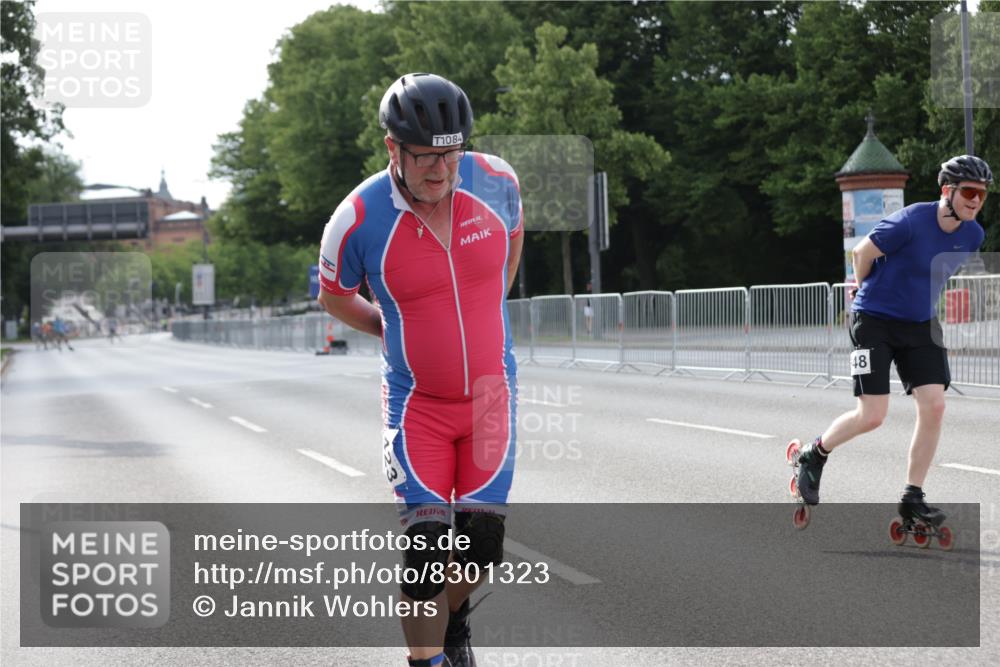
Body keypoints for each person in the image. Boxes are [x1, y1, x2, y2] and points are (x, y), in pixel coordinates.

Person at [317, 73, 523, 667]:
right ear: (393, 149)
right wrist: (387, 326)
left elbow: (512, 239)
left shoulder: (498, 182)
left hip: (489, 397)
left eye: (451, 154)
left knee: (481, 547)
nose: (441, 170)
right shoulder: (356, 218)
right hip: (418, 409)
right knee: (429, 551)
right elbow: (334, 296)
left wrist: (490, 304)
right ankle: (425, 662)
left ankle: (453, 623)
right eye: (426, 158)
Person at [795, 154, 990, 526]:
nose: (976, 200)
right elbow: (862, 251)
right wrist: (864, 291)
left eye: (982, 194)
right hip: (875, 320)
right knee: (873, 415)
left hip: (919, 324)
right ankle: (814, 453)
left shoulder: (972, 234)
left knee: (934, 406)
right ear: (947, 191)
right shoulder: (912, 220)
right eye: (968, 191)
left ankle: (912, 497)